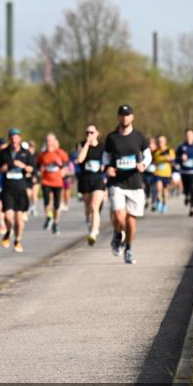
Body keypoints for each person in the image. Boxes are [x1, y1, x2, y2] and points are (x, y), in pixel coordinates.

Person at [103, 104, 151, 265]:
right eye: (122, 115)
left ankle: (128, 248)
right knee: (118, 215)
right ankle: (117, 234)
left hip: (135, 183)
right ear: (118, 117)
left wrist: (143, 165)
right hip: (116, 182)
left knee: (131, 221)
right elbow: (105, 156)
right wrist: (107, 168)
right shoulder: (111, 138)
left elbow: (148, 155)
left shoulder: (139, 137)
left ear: (132, 117)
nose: (125, 118)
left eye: (127, 115)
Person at [0, 129, 35, 252]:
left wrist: (22, 165)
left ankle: (18, 240)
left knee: (19, 219)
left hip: (21, 188)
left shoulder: (26, 153)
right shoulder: (3, 153)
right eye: (12, 137)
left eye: (16, 137)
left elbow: (32, 169)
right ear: (9, 139)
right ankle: (8, 231)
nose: (14, 139)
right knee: (8, 216)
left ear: (20, 138)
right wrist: (2, 169)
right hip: (7, 188)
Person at [75, 124, 106, 245]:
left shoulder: (103, 147)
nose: (89, 135)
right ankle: (89, 221)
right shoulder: (82, 145)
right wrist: (87, 144)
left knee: (94, 206)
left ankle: (94, 232)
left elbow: (107, 161)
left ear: (97, 133)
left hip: (98, 179)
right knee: (88, 207)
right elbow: (80, 159)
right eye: (87, 133)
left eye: (92, 132)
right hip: (86, 179)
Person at [37, 133, 69, 234]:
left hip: (57, 181)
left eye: (50, 140)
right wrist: (39, 171)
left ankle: (56, 223)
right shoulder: (43, 154)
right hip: (46, 180)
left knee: (56, 204)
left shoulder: (60, 153)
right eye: (47, 140)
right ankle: (48, 217)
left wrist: (63, 168)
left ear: (55, 141)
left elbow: (66, 163)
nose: (48, 142)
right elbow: (38, 165)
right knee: (46, 201)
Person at [175, 129, 193, 217]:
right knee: (186, 188)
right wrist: (181, 158)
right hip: (184, 171)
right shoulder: (181, 147)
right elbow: (176, 159)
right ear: (185, 136)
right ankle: (186, 196)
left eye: (190, 135)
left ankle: (192, 208)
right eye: (187, 135)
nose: (189, 137)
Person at [152, 136, 176, 213]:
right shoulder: (156, 151)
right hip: (158, 173)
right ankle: (158, 200)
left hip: (167, 174)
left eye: (162, 141)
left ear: (165, 142)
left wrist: (170, 159)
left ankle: (164, 204)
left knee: (165, 191)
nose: (160, 143)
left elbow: (173, 160)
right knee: (159, 188)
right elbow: (153, 161)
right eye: (159, 141)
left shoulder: (170, 150)